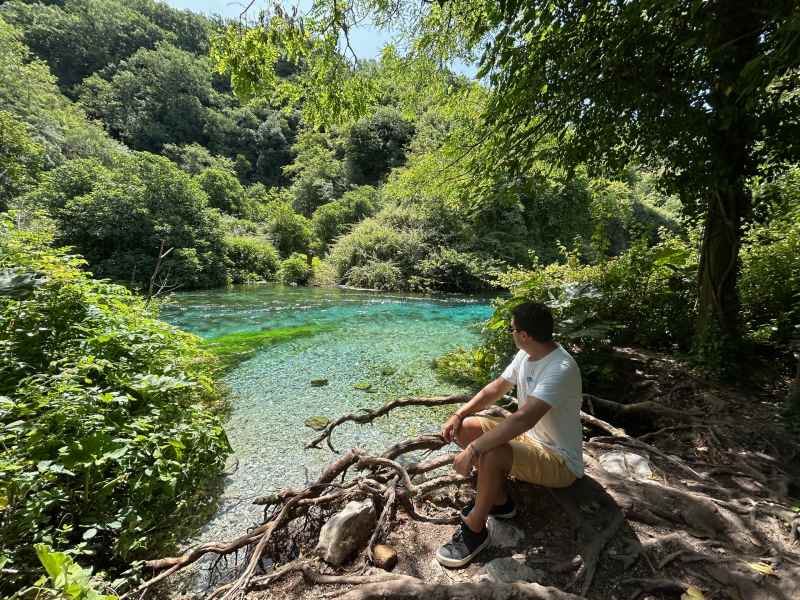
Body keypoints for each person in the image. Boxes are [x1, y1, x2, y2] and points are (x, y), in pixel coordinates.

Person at [435, 301, 584, 568]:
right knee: (467, 428)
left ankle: (476, 529)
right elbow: (497, 388)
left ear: (524, 335)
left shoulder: (560, 368)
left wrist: (473, 451)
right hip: (532, 441)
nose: (511, 333)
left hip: (560, 461)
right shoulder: (527, 354)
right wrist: (459, 414)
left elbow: (523, 419)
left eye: (512, 329)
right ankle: (501, 502)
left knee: (491, 452)